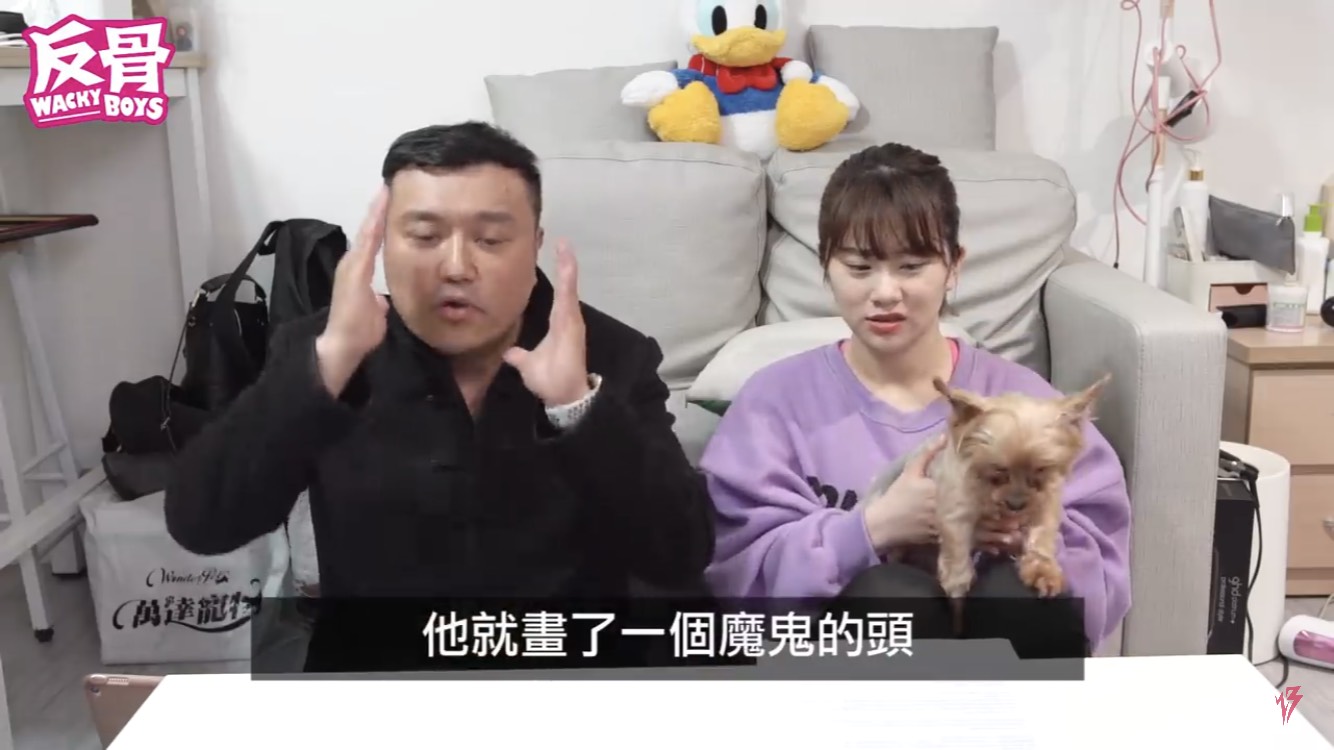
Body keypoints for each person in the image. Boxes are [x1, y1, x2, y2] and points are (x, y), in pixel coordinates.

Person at [165, 122, 715, 667]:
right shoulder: (330, 348)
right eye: (425, 237)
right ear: (383, 245)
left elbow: (680, 552)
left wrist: (577, 406)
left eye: (490, 240)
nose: (456, 267)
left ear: (535, 244)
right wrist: (327, 365)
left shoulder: (611, 354)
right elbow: (203, 523)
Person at [699, 143, 1131, 659]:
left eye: (911, 266)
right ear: (826, 267)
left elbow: (1099, 568)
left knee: (1020, 597)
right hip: (849, 677)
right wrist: (874, 528)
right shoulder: (773, 403)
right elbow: (737, 575)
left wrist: (1024, 530)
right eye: (860, 267)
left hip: (1007, 672)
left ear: (954, 266)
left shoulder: (1032, 408)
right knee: (892, 598)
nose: (885, 292)